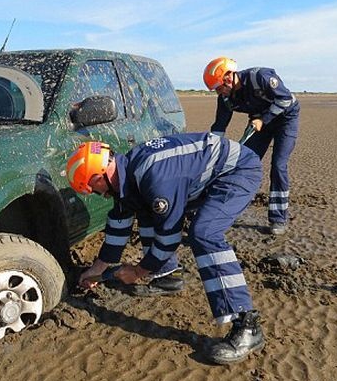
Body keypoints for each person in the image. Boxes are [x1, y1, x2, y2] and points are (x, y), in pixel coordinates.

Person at [67, 133, 265, 365]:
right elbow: (119, 224)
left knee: (204, 233)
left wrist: (138, 271)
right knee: (148, 214)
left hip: (237, 170)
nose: (97, 194)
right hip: (207, 172)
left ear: (100, 175)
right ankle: (168, 276)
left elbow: (169, 237)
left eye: (92, 188)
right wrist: (97, 269)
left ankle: (246, 325)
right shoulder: (127, 174)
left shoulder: (153, 177)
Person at [203, 57, 300, 235]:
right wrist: (210, 154)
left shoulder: (260, 77)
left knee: (278, 165)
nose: (219, 93)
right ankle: (227, 211)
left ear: (228, 77)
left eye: (219, 87)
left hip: (285, 119)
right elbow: (219, 127)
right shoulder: (225, 99)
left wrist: (264, 120)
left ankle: (278, 219)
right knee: (243, 162)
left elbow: (285, 100)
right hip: (259, 122)